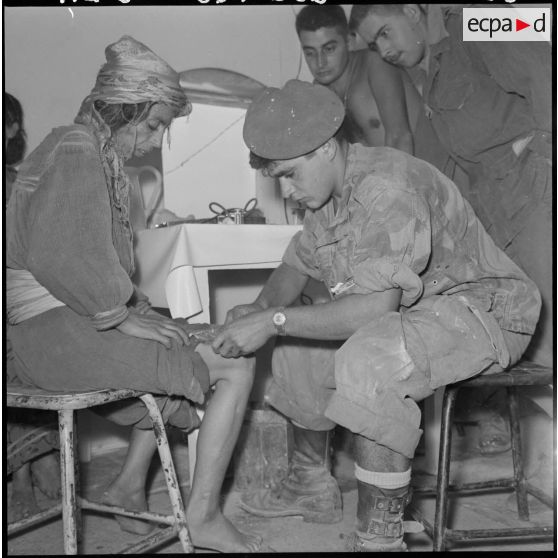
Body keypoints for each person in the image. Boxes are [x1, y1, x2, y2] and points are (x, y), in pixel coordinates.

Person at [210, 79, 541, 551]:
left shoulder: (386, 186)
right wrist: (259, 311)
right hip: (421, 314)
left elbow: (373, 310)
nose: (286, 189)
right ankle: (311, 482)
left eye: (289, 174)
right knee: (292, 342)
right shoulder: (326, 196)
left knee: (369, 360)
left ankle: (380, 538)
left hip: (486, 312)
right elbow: (294, 266)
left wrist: (271, 320)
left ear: (326, 149)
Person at [6, 36, 262, 553]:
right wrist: (120, 316)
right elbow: (65, 258)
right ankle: (205, 515)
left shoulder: (87, 153)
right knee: (234, 360)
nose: (154, 140)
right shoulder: (76, 148)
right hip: (49, 339)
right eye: (152, 124)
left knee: (190, 334)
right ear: (123, 109)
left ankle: (126, 486)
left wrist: (134, 313)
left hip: (57, 331)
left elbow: (91, 265)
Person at [349, 3, 553, 458]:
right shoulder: (433, 67)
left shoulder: (477, 17)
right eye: (373, 44)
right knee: (527, 336)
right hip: (498, 205)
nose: (383, 50)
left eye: (385, 32)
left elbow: (547, 64)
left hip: (536, 187)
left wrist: (545, 154)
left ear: (413, 11)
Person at [5, 92, 62, 523]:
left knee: (33, 338)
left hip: (19, 297)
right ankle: (20, 473)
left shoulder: (17, 184)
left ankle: (41, 459)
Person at [295, 5, 415, 153]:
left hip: (423, 171)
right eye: (310, 53)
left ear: (348, 41)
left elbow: (400, 138)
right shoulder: (320, 92)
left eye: (329, 49)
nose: (320, 63)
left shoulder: (375, 64)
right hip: (379, 173)